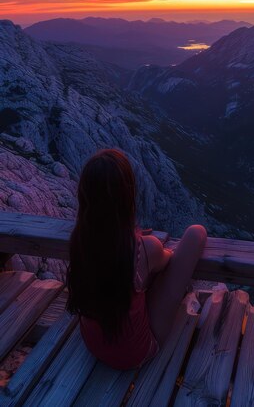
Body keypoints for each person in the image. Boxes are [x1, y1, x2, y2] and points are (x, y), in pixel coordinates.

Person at [66, 148, 207, 370]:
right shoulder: (142, 248)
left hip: (92, 342)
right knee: (196, 232)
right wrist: (148, 244)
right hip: (135, 354)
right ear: (127, 196)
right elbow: (167, 260)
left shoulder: (80, 241)